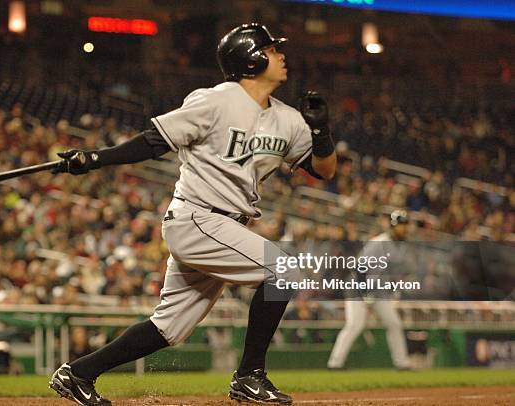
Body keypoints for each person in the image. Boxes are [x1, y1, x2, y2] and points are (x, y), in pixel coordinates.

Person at [49, 23, 336, 406]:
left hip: (223, 227)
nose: (281, 55)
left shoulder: (286, 119)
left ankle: (78, 373)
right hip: (198, 218)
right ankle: (249, 375)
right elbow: (154, 142)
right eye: (271, 49)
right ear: (251, 58)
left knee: (169, 328)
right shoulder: (215, 101)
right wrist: (95, 158)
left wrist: (322, 133)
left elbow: (324, 171)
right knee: (282, 270)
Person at [327, 210, 412, 370]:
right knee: (354, 325)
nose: (404, 228)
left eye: (406, 225)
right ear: (393, 226)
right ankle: (335, 364)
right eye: (401, 225)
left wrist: (393, 290)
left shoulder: (401, 245)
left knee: (394, 323)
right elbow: (359, 267)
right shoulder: (380, 242)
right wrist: (364, 294)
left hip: (378, 292)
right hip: (358, 289)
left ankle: (402, 363)